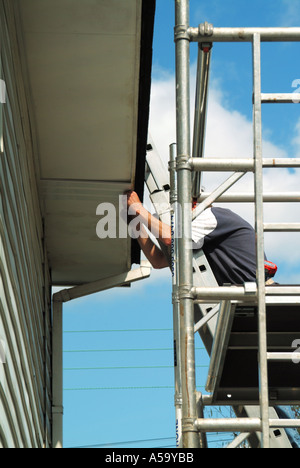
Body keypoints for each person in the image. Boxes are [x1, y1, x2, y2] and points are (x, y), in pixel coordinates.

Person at [125, 189, 300, 448]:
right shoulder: (198, 238)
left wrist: (139, 211)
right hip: (249, 309)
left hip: (266, 300)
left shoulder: (210, 216)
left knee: (263, 390)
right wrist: (134, 219)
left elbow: (174, 239)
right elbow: (160, 259)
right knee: (260, 399)